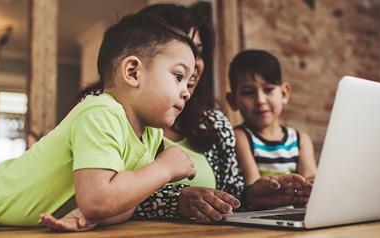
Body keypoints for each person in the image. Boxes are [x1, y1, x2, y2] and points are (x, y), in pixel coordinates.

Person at [42, 4, 312, 231]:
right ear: (135, 69)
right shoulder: (106, 113)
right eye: (180, 58)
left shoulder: (216, 124)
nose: (194, 64)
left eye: (199, 52)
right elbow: (96, 195)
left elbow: (233, 195)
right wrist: (176, 199)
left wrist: (256, 196)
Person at [0, 13, 197, 226]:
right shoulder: (100, 112)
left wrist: (88, 217)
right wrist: (165, 168)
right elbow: (98, 200)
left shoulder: (152, 135)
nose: (186, 93)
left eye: (189, 83)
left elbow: (123, 204)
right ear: (133, 72)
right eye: (179, 77)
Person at [226, 50, 317, 187]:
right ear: (233, 101)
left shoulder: (300, 140)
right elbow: (254, 188)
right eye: (248, 92)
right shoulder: (240, 137)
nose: (260, 100)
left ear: (284, 93)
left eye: (268, 90)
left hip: (297, 209)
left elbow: (310, 181)